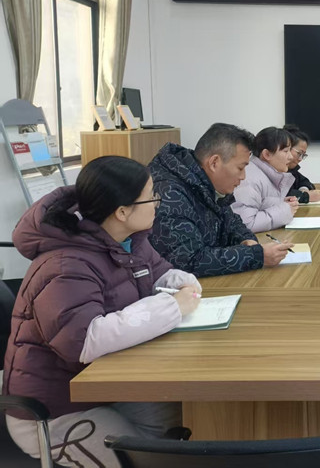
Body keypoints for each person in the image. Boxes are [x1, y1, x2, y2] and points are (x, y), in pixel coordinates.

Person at [3, 156, 201, 468]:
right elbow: (83, 340)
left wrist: (181, 282)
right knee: (144, 458)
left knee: (192, 417)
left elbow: (158, 272)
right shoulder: (66, 263)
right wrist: (172, 307)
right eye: (151, 196)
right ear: (122, 212)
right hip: (55, 410)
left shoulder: (128, 239)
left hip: (106, 387)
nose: (157, 203)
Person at [149, 123, 292, 277]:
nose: (243, 176)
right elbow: (189, 261)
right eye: (240, 168)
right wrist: (255, 255)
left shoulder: (205, 183)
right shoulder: (170, 194)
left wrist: (246, 240)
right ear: (214, 163)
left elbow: (233, 223)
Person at [232, 127, 299, 232]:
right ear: (267, 154)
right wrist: (285, 210)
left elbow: (259, 203)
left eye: (290, 150)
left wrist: (280, 202)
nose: (291, 157)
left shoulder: (263, 173)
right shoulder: (249, 179)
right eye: (286, 151)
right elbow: (246, 223)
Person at [283, 124, 320, 203]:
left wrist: (304, 189)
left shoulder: (291, 169)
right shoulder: (274, 169)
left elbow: (306, 182)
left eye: (303, 155)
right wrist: (305, 196)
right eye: (299, 153)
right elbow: (279, 193)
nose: (300, 159)